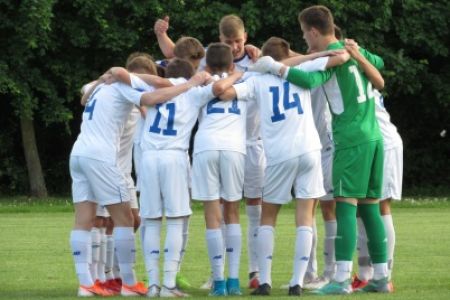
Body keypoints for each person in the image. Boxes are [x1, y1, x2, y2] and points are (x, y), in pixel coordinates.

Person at [249, 5, 390, 294]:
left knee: (345, 206)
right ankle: (381, 276)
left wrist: (276, 67)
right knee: (370, 208)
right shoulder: (351, 49)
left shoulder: (333, 61)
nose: (304, 41)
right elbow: (380, 64)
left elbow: (308, 79)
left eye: (304, 35)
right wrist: (356, 52)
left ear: (314, 31)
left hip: (351, 138)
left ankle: (340, 279)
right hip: (375, 137)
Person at [216, 36, 350, 296]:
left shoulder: (256, 79)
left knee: (268, 217)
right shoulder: (298, 70)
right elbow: (337, 59)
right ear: (287, 55)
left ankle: (264, 281)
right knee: (305, 218)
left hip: (278, 155)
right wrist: (307, 57)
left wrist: (242, 73)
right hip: (309, 150)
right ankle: (297, 282)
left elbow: (223, 92)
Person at [154, 14, 266, 289]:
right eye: (231, 43)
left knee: (212, 214)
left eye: (239, 41)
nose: (237, 46)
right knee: (233, 213)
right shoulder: (249, 77)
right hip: (235, 147)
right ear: (225, 49)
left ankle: (219, 280)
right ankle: (234, 281)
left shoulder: (199, 80)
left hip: (206, 146)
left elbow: (175, 62)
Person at [353, 89, 402, 292]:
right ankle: (365, 274)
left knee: (381, 207)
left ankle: (385, 276)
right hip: (368, 143)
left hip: (384, 144)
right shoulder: (356, 70)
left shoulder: (355, 71)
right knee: (360, 209)